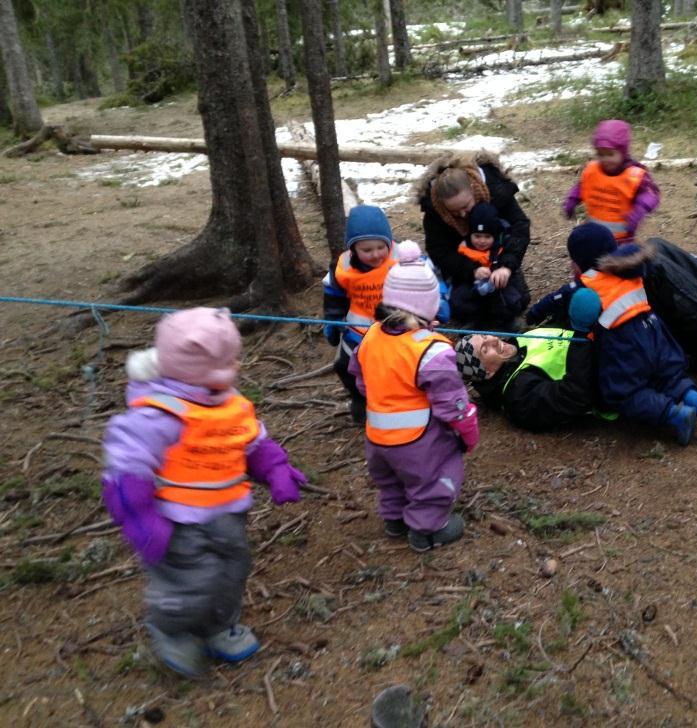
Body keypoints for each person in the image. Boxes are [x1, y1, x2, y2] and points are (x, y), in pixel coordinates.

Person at [101, 308, 305, 677]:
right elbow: (127, 467)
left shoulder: (229, 403)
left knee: (232, 568)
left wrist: (276, 469)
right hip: (177, 522)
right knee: (192, 579)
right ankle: (172, 627)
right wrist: (140, 517)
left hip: (228, 512)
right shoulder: (160, 413)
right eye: (226, 361)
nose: (235, 367)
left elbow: (251, 441)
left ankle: (216, 624)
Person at [533, 222, 697, 445]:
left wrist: (534, 314)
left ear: (578, 262)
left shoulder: (583, 285)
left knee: (625, 393)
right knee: (669, 377)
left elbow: (554, 300)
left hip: (625, 345)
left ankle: (676, 415)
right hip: (655, 332)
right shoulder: (630, 268)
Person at [348, 242, 479, 552]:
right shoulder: (431, 349)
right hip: (418, 442)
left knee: (391, 480)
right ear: (429, 305)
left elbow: (360, 378)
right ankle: (427, 529)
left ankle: (394, 519)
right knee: (434, 476)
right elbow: (453, 404)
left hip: (377, 437)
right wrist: (467, 430)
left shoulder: (371, 337)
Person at [528, 236, 697, 382]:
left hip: (655, 321)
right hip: (646, 339)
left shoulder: (592, 279)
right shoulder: (580, 291)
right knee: (654, 267)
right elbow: (551, 307)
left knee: (655, 247)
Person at [323, 205, 448, 422]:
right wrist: (332, 321)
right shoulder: (342, 267)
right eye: (367, 250)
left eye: (380, 247)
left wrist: (440, 304)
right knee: (345, 365)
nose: (375, 255)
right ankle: (362, 400)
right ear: (353, 249)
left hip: (402, 325)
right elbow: (334, 296)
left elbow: (432, 280)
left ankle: (411, 398)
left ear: (389, 242)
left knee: (402, 364)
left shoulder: (406, 257)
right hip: (358, 328)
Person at [454, 290, 604, 432]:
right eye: (485, 350)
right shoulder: (520, 397)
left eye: (485, 337)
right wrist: (582, 332)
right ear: (487, 373)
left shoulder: (519, 341)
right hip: (608, 373)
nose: (493, 339)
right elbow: (574, 396)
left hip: (600, 336)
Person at [415, 151, 531, 328]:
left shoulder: (496, 191)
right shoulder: (434, 212)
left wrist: (507, 265)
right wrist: (471, 270)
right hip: (464, 264)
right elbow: (439, 250)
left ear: (473, 190)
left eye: (466, 206)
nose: (462, 215)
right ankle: (475, 320)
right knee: (463, 305)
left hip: (498, 257)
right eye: (454, 212)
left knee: (516, 299)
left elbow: (519, 227)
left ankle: (506, 316)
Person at [563, 119, 661, 241]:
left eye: (610, 154)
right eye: (600, 154)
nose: (605, 159)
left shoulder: (635, 175)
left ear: (623, 152)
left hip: (622, 240)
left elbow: (651, 194)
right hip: (594, 235)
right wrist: (572, 200)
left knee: (622, 259)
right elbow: (581, 186)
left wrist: (639, 210)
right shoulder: (592, 170)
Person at [448, 202, 530, 328]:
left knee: (509, 297)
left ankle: (507, 320)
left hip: (497, 289)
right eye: (477, 236)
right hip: (474, 288)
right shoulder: (463, 248)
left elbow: (511, 260)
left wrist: (501, 270)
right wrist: (473, 271)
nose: (482, 241)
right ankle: (473, 321)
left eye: (487, 236)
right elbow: (457, 268)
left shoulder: (502, 246)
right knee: (459, 298)